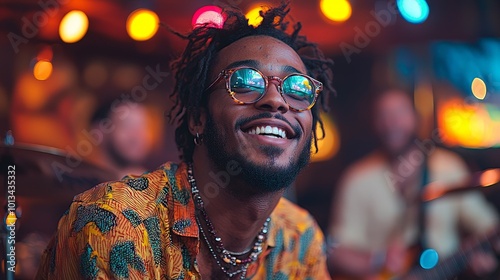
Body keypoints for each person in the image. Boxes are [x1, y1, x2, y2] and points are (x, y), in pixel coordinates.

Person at [36, 3, 334, 279]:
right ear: (197, 118)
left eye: (298, 88)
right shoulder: (114, 222)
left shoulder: (300, 238)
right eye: (244, 81)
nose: (275, 100)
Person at [327, 88, 499, 279]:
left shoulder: (448, 167)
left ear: (416, 117)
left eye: (400, 112)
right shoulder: (356, 179)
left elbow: (484, 225)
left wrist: (484, 258)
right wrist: (377, 261)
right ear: (374, 122)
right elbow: (336, 251)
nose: (391, 122)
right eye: (383, 115)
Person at [89, 100, 153, 178]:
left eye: (144, 127)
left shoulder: (152, 183)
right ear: (99, 132)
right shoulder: (80, 183)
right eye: (127, 126)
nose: (138, 136)